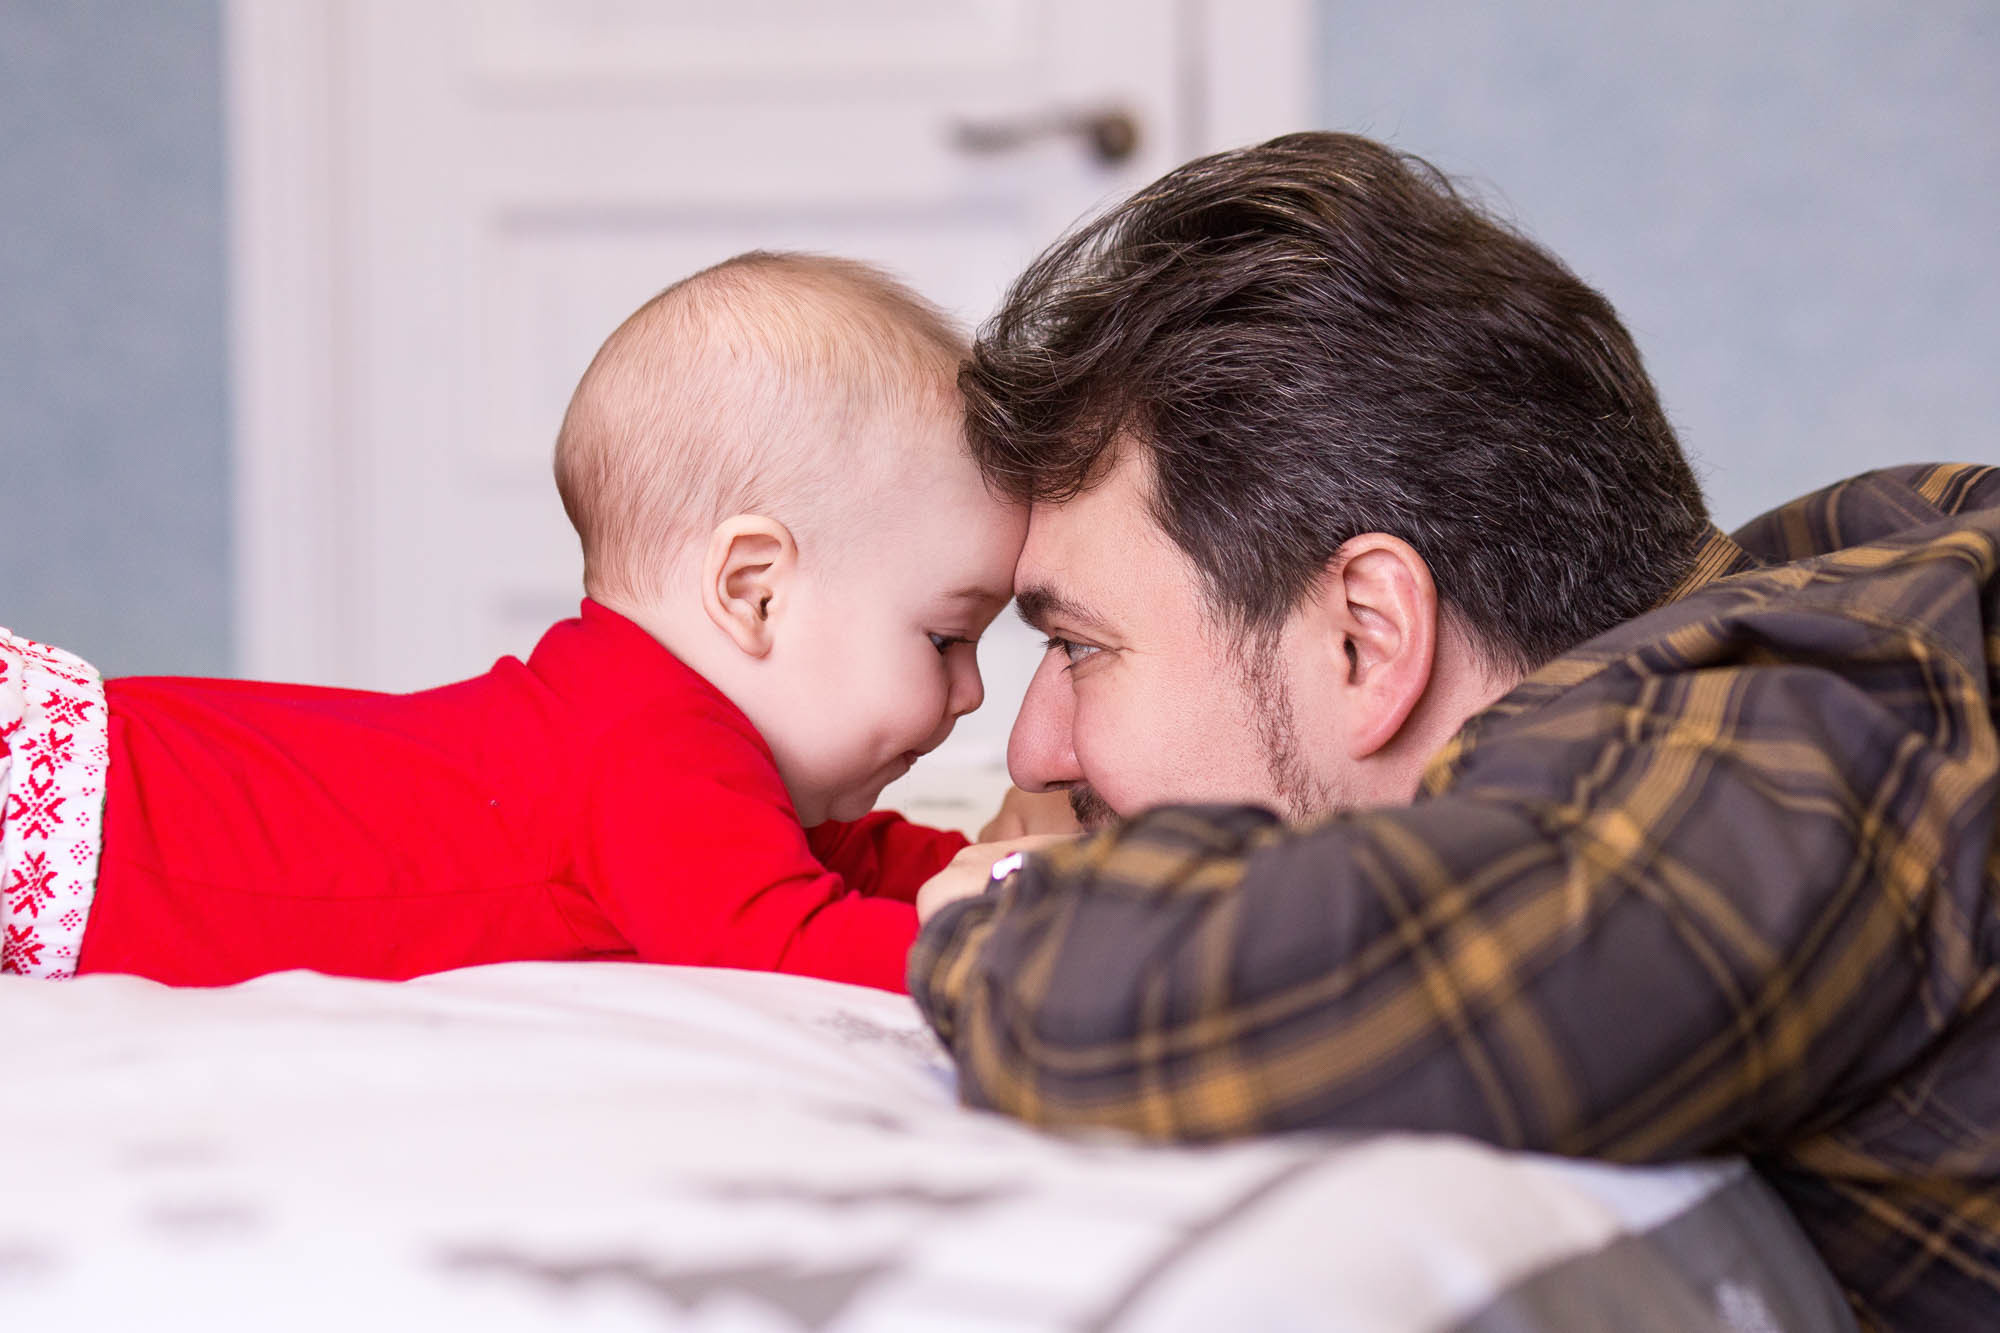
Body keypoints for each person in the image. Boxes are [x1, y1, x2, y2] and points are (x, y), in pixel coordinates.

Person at [908, 133, 1999, 1331]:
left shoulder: (1800, 726)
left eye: (1076, 647)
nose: (1030, 751)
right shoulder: (1846, 583)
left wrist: (1006, 904)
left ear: (1366, 638)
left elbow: (1382, 983)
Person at [0, 251, 1067, 992]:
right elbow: (784, 938)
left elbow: (824, 858)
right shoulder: (653, 752)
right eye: (944, 637)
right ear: (754, 591)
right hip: (105, 828)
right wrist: (985, 923)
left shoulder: (665, 731)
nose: (972, 691)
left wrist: (975, 862)